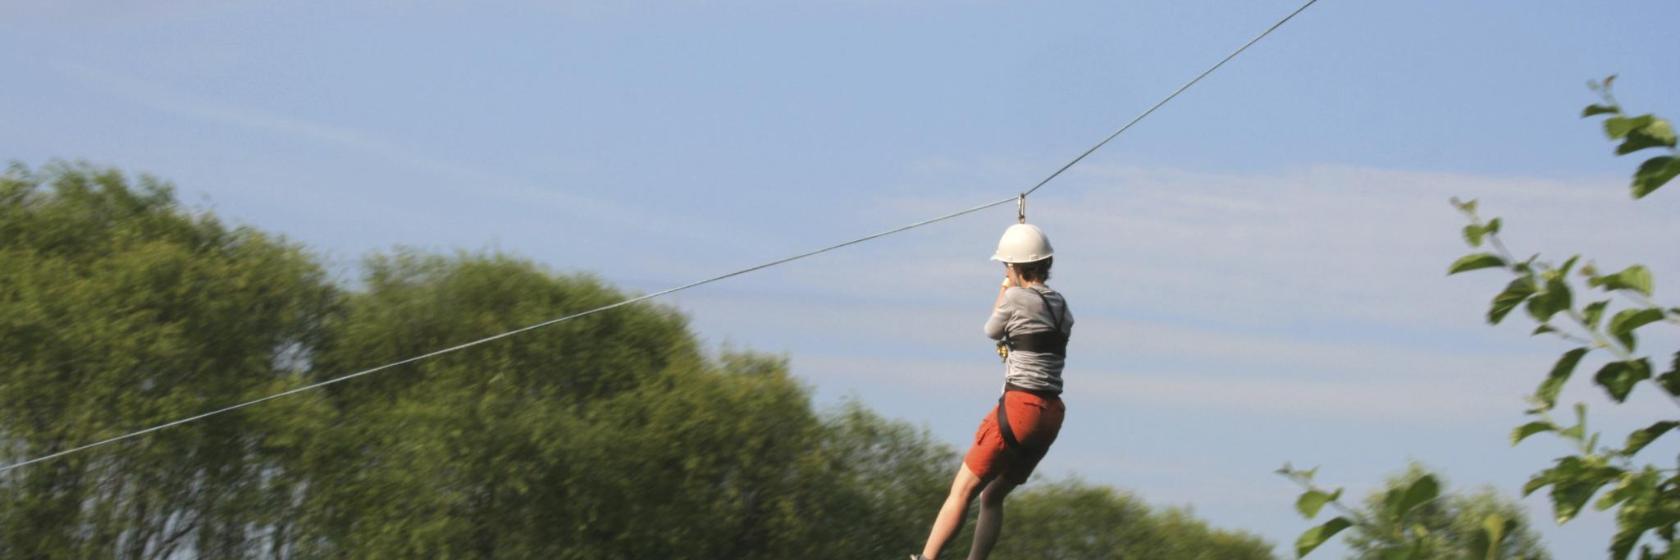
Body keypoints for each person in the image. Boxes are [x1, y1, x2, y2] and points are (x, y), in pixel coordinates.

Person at [913, 223, 1072, 560]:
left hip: (1019, 408)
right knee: (993, 496)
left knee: (962, 490)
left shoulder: (1015, 296)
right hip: (1050, 415)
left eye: (1005, 265)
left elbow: (991, 329)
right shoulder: (1061, 305)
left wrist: (1004, 284)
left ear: (1014, 266)